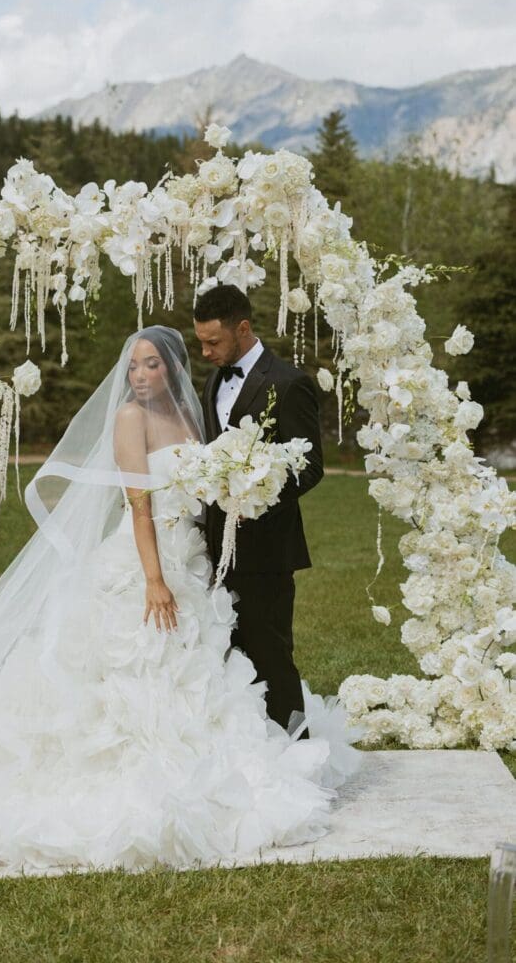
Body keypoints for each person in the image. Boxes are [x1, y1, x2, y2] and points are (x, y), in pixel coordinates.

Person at [0, 325, 357, 878]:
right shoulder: (129, 418)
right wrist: (154, 580)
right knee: (139, 666)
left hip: (196, 560)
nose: (139, 376)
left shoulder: (195, 415)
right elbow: (138, 505)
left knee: (203, 667)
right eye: (132, 366)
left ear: (172, 367)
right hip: (146, 564)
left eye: (151, 364)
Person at [194, 286, 323, 731]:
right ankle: (253, 752)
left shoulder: (288, 383)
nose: (206, 351)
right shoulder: (214, 380)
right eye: (202, 343)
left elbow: (310, 467)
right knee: (232, 655)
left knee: (271, 654)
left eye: (214, 342)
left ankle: (299, 751)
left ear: (243, 328)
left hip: (267, 550)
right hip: (214, 546)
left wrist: (258, 498)